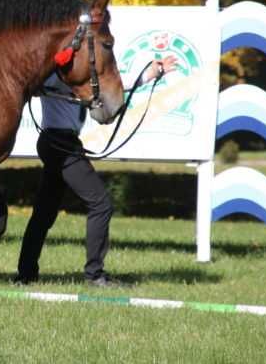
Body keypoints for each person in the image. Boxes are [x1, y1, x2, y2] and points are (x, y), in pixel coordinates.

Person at [15, 56, 177, 287]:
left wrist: (151, 73)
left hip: (59, 143)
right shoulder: (55, 73)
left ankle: (25, 274)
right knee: (101, 204)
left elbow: (116, 84)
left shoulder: (76, 77)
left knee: (44, 213)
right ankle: (95, 275)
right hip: (60, 144)